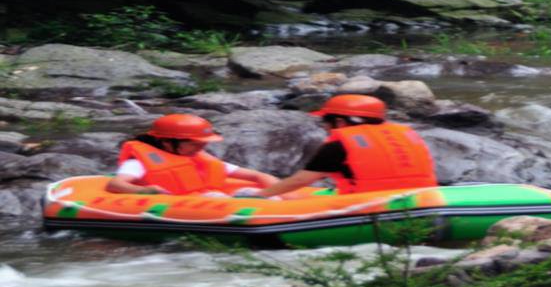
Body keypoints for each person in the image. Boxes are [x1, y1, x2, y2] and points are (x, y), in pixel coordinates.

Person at [247, 95, 437, 198]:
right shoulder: (406, 134)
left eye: (325, 122)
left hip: (369, 204)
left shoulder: (339, 145)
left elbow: (300, 180)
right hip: (423, 199)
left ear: (339, 122)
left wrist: (261, 195)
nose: (325, 127)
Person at [107, 114, 277, 195]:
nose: (200, 148)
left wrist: (279, 190)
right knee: (217, 198)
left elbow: (255, 175)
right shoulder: (139, 163)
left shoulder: (199, 157)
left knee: (253, 194)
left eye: (203, 144)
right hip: (181, 205)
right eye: (195, 144)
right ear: (167, 142)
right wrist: (143, 191)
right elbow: (115, 185)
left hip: (213, 199)